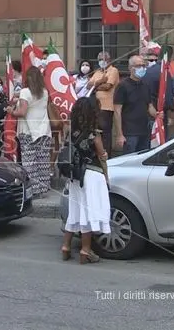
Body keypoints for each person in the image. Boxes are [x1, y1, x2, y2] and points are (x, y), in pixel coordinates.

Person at [61, 97, 111, 264]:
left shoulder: (71, 131)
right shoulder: (94, 134)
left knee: (75, 210)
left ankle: (66, 247)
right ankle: (85, 250)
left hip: (75, 176)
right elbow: (101, 156)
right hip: (92, 175)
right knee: (88, 213)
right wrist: (107, 176)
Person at [10, 66, 52, 196]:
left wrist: (11, 111)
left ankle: (33, 191)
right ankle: (43, 190)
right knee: (42, 161)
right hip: (44, 130)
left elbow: (22, 112)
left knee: (30, 163)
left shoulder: (25, 92)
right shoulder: (45, 92)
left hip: (28, 131)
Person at [113, 55, 159, 154]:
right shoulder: (122, 86)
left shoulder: (145, 85)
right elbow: (117, 111)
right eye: (138, 66)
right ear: (130, 68)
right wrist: (119, 134)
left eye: (143, 65)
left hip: (144, 131)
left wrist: (158, 115)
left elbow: (149, 106)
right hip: (129, 133)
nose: (142, 68)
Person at [88, 51, 120, 154]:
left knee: (105, 132)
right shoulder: (97, 72)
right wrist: (99, 82)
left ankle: (107, 154)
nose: (102, 61)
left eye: (104, 59)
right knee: (97, 132)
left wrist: (96, 86)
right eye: (100, 60)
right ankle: (98, 153)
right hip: (95, 107)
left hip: (107, 106)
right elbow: (88, 86)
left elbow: (108, 86)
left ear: (109, 60)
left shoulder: (113, 71)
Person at [142, 46, 174, 141]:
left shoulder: (147, 71)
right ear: (170, 57)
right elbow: (168, 96)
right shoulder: (164, 73)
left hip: (145, 112)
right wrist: (171, 114)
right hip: (159, 113)